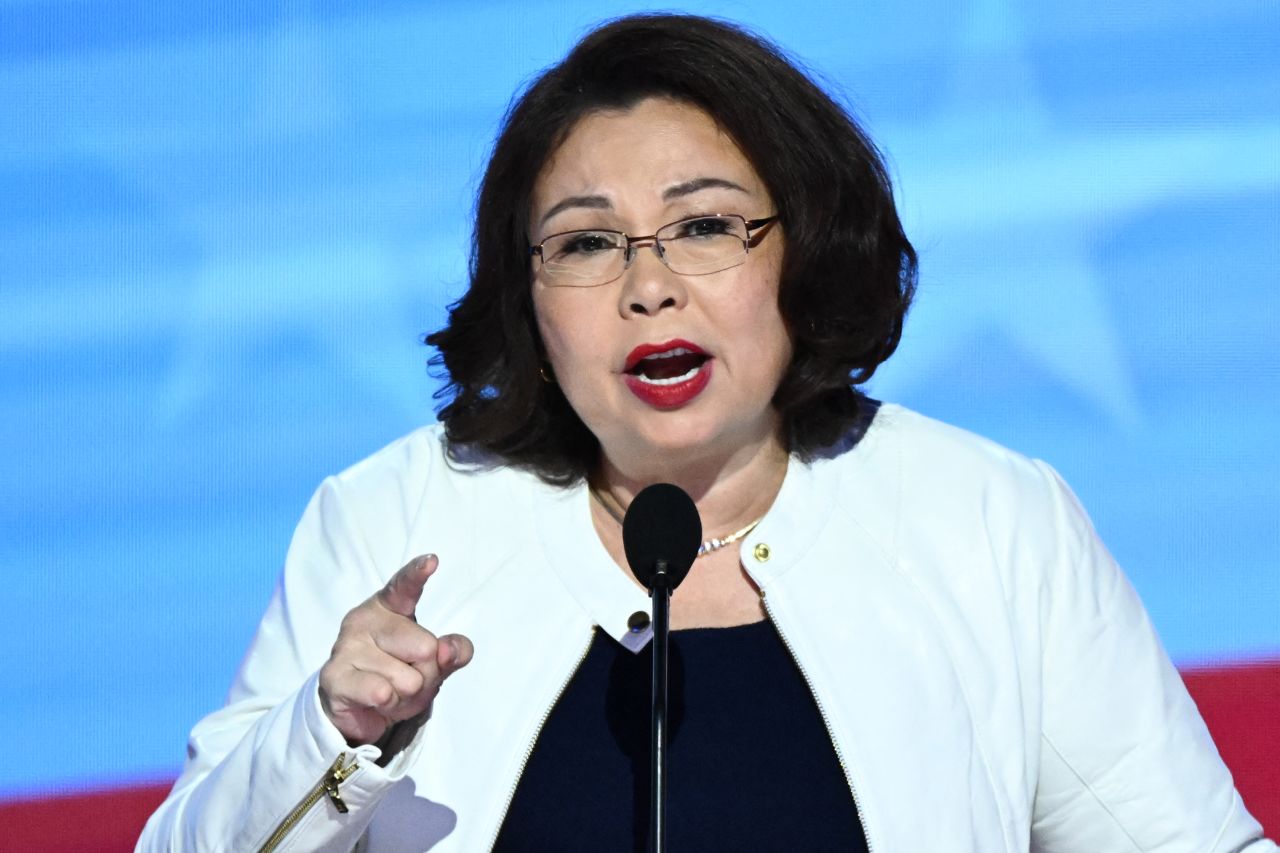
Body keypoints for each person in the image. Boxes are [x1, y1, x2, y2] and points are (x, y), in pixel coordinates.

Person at [138, 14, 1275, 853]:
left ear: (804, 247)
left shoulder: (984, 519)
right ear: (527, 296)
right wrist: (338, 734)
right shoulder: (398, 519)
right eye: (586, 243)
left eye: (703, 227)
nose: (648, 286)